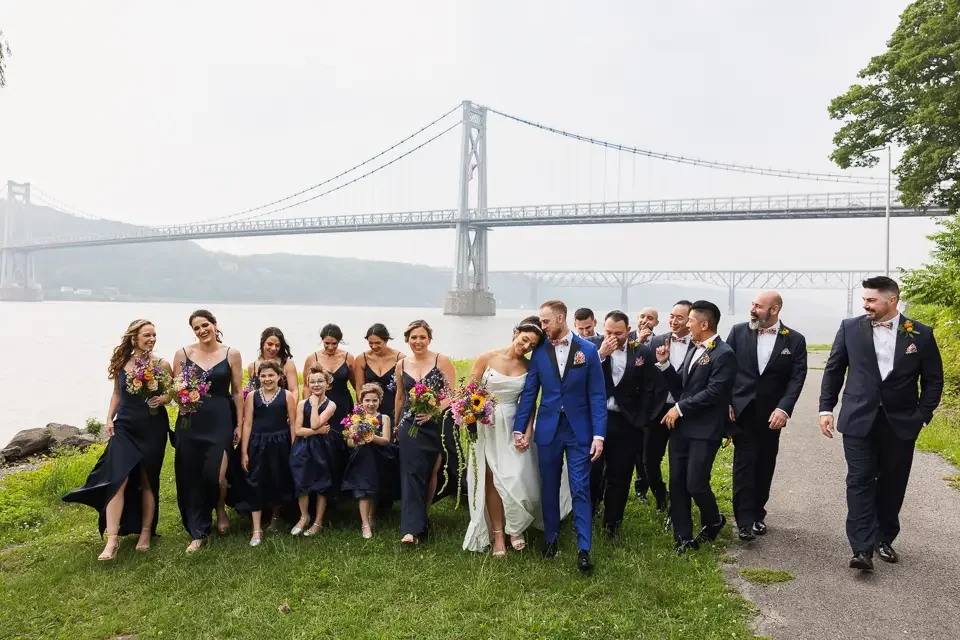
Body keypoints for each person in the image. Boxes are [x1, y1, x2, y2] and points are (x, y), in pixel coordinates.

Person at [819, 276, 943, 572]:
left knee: (892, 482)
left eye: (872, 300)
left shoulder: (921, 334)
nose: (866, 305)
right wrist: (826, 408)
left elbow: (933, 380)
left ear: (892, 301)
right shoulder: (850, 328)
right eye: (865, 300)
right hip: (858, 419)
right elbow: (834, 369)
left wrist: (922, 416)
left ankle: (884, 537)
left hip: (901, 423)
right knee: (859, 480)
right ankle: (861, 549)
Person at [462, 317, 573, 556]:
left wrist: (528, 430)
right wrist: (471, 413)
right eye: (524, 340)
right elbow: (468, 393)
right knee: (492, 478)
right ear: (515, 333)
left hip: (515, 423)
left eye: (532, 345)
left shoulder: (529, 366)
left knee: (517, 478)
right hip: (487, 423)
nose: (525, 347)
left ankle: (517, 525)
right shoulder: (486, 358)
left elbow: (530, 401)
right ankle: (499, 535)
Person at [63, 319, 171, 560]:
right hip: (125, 427)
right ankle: (112, 541)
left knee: (147, 479)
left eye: (154, 335)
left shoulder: (161, 363)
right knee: (118, 479)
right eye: (147, 335)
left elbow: (170, 393)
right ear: (134, 338)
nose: (152, 339)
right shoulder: (123, 363)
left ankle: (145, 532)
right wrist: (109, 419)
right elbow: (117, 393)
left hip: (153, 427)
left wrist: (162, 400)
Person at [514, 300, 606, 573]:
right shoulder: (540, 352)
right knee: (549, 486)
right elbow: (530, 392)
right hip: (548, 428)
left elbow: (597, 396)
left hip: (580, 430)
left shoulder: (588, 351)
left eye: (545, 322)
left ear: (560, 318)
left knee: (580, 487)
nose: (542, 327)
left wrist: (598, 435)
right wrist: (520, 427)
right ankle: (551, 538)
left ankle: (584, 549)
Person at [655, 300, 737, 555]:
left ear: (704, 323)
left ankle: (714, 520)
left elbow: (714, 392)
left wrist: (679, 409)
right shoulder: (694, 348)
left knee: (696, 483)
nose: (686, 324)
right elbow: (683, 388)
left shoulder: (724, 354)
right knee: (677, 483)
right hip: (681, 429)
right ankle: (683, 537)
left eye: (690, 320)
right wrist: (666, 366)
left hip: (705, 430)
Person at [725, 291, 807, 541]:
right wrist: (727, 402)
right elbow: (725, 369)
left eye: (758, 306)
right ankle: (744, 521)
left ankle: (758, 513)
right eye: (752, 304)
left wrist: (784, 408)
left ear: (775, 309)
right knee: (744, 462)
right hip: (742, 410)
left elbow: (797, 378)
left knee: (765, 463)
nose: (753, 309)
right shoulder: (738, 332)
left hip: (773, 413)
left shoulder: (794, 340)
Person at [172, 309, 244, 553]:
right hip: (190, 422)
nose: (202, 331)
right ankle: (199, 530)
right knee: (192, 476)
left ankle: (220, 507)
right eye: (196, 328)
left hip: (221, 418)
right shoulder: (183, 354)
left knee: (217, 475)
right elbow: (176, 390)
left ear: (215, 325)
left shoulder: (231, 353)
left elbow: (236, 391)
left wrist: (240, 424)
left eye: (205, 325)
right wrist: (180, 401)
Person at [591, 310, 668, 538]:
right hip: (597, 419)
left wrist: (643, 417)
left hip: (627, 422)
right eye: (608, 332)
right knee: (592, 473)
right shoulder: (591, 347)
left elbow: (651, 386)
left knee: (620, 474)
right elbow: (578, 377)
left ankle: (612, 524)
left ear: (628, 331)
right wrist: (601, 355)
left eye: (618, 333)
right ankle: (588, 513)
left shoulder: (641, 351)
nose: (613, 336)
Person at [394, 320, 457, 545]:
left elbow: (453, 393)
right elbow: (400, 396)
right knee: (411, 472)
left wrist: (433, 410)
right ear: (407, 340)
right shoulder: (401, 364)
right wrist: (396, 423)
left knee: (434, 471)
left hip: (438, 423)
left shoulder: (441, 360)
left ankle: (423, 517)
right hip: (410, 423)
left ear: (429, 339)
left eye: (422, 337)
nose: (418, 341)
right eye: (413, 337)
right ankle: (410, 529)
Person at [239, 360, 297, 547]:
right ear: (258, 377)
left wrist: (294, 447)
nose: (267, 379)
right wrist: (244, 451)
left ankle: (275, 517)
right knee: (255, 481)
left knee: (277, 479)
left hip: (280, 443)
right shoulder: (253, 397)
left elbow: (293, 424)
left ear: (279, 376)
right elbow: (247, 424)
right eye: (263, 376)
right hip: (257, 443)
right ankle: (256, 529)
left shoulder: (287, 396)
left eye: (271, 375)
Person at [643, 301, 693, 512]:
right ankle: (661, 497)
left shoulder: (699, 345)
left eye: (679, 318)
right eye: (672, 316)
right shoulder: (656, 341)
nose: (673, 321)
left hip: (684, 412)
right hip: (657, 410)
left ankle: (677, 506)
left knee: (679, 464)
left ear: (691, 321)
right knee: (649, 462)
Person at [341, 383, 396, 538]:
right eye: (367, 400)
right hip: (362, 458)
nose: (371, 404)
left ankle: (371, 516)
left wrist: (370, 436)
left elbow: (385, 440)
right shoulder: (356, 418)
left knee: (374, 489)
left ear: (379, 401)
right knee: (364, 490)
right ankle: (365, 524)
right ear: (361, 401)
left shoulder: (383, 418)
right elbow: (349, 442)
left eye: (374, 400)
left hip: (379, 457)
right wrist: (356, 439)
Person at [301, 324, 353, 490]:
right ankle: (323, 485)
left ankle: (342, 486)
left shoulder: (348, 358)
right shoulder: (312, 358)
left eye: (334, 343)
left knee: (343, 443)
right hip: (321, 404)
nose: (330, 347)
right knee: (322, 443)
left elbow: (357, 384)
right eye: (327, 343)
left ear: (339, 342)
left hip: (343, 404)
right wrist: (308, 407)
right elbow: (306, 385)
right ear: (322, 341)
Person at [289, 364, 338, 536]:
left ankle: (318, 521)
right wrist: (316, 431)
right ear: (308, 384)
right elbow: (298, 430)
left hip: (322, 447)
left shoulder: (331, 405)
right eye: (312, 382)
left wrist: (316, 404)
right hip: (303, 446)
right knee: (301, 481)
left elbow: (316, 422)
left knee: (321, 484)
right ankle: (304, 516)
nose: (316, 385)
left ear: (327, 384)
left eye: (320, 381)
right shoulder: (302, 404)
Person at [353, 323, 405, 442]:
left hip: (392, 404)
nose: (374, 346)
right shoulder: (362, 358)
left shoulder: (400, 358)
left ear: (386, 340)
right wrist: (362, 410)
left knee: (392, 440)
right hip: (371, 404)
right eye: (370, 343)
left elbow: (403, 389)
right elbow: (359, 387)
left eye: (377, 343)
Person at [246, 327, 298, 395]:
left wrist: (291, 405)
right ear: (263, 343)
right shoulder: (252, 366)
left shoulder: (287, 364)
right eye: (270, 344)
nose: (273, 348)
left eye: (277, 345)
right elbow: (250, 392)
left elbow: (294, 391)